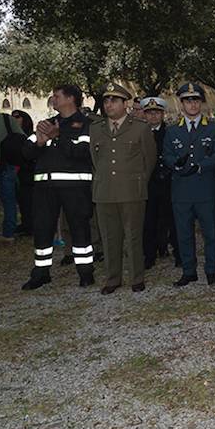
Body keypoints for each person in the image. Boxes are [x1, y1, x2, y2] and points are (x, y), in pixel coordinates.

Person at [21, 84, 96, 289]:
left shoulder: (86, 124)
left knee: (79, 229)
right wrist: (38, 143)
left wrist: (58, 137)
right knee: (42, 229)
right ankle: (41, 273)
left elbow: (83, 153)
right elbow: (26, 153)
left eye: (56, 96)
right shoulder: (46, 124)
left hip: (75, 189)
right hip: (45, 189)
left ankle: (86, 273)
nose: (53, 99)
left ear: (71, 98)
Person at [89, 83, 155, 294]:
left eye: (114, 100)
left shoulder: (140, 127)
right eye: (106, 100)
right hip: (105, 191)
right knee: (109, 237)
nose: (109, 105)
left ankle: (136, 277)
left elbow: (149, 160)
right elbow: (95, 159)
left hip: (131, 191)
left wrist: (138, 181)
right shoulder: (96, 128)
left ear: (125, 103)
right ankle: (112, 278)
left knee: (133, 235)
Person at [164, 83, 215, 287]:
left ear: (201, 102)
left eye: (195, 100)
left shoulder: (214, 127)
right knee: (184, 234)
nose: (192, 104)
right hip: (181, 191)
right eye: (187, 100)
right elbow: (166, 154)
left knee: (210, 233)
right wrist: (176, 164)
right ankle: (188, 271)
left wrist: (200, 166)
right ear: (181, 104)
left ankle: (211, 270)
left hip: (206, 189)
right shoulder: (173, 130)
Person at [140, 97, 178, 268]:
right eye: (149, 113)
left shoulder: (170, 132)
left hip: (168, 182)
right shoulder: (140, 133)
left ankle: (178, 253)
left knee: (173, 220)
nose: (153, 116)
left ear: (162, 114)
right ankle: (149, 255)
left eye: (156, 113)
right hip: (148, 183)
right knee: (148, 221)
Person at [0, 108, 25, 241]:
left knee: (8, 200)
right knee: (9, 200)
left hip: (7, 164)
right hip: (8, 164)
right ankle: (8, 233)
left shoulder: (8, 119)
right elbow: (22, 138)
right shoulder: (7, 119)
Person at [11, 110, 36, 236]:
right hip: (17, 173)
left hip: (29, 173)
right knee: (22, 200)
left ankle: (31, 226)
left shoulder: (30, 136)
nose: (14, 119)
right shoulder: (13, 134)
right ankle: (26, 224)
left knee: (29, 200)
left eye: (17, 117)